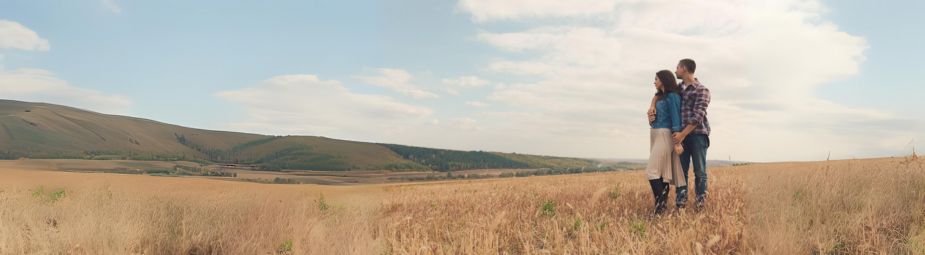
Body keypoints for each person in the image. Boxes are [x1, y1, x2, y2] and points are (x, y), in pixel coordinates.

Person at [645, 70, 686, 215]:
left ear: (663, 79)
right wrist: (650, 117)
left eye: (656, 78)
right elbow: (654, 120)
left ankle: (660, 206)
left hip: (665, 134)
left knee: (651, 172)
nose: (654, 81)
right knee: (661, 174)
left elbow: (676, 118)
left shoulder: (673, 96)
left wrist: (677, 142)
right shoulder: (659, 97)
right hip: (655, 133)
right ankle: (660, 209)